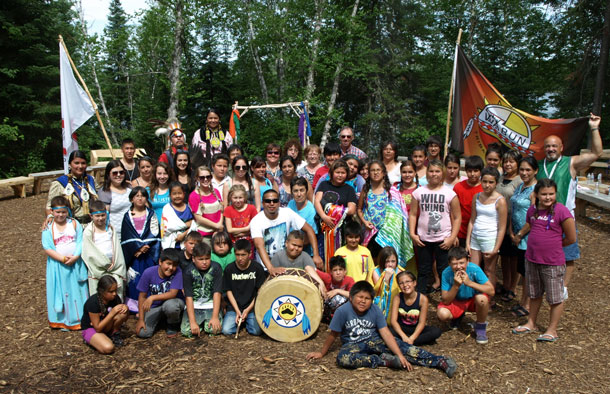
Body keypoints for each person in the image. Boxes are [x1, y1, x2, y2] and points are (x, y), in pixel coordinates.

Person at [306, 281, 457, 377]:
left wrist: (399, 354)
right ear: (351, 298)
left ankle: (440, 362)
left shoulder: (375, 310)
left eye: (367, 298)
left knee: (407, 349)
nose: (363, 301)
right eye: (359, 297)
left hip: (374, 340)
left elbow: (385, 333)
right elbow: (333, 335)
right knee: (343, 358)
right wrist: (322, 352)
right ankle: (383, 361)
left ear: (372, 300)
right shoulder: (342, 311)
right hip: (352, 345)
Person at [537, 113, 602, 299]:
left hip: (564, 216)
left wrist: (594, 128)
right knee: (545, 252)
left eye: (554, 146)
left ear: (561, 148)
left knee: (568, 253)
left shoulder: (570, 162)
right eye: (548, 146)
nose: (550, 149)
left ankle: (563, 287)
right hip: (543, 216)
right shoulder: (539, 165)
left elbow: (596, 153)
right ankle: (546, 282)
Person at [511, 179, 576, 342]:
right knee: (534, 293)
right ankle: (531, 322)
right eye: (544, 194)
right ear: (537, 195)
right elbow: (530, 225)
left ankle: (552, 329)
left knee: (555, 297)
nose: (548, 197)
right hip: (532, 259)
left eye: (551, 194)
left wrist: (553, 245)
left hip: (553, 261)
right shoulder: (533, 210)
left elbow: (571, 237)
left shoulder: (562, 211)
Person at [409, 160, 461, 294]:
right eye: (431, 171)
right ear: (426, 173)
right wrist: (412, 234)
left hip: (443, 239)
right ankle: (419, 297)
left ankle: (446, 297)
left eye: (437, 171)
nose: (434, 174)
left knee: (444, 269)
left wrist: (452, 237)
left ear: (442, 173)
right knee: (423, 269)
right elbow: (413, 214)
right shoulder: (418, 192)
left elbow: (457, 217)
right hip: (423, 239)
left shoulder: (450, 193)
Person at [42, 196, 89, 330]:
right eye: (58, 212)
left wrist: (75, 256)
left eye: (63, 212)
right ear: (52, 211)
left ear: (68, 211)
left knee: (77, 290)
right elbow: (47, 246)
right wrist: (62, 259)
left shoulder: (74, 224)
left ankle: (80, 318)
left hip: (75, 263)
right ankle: (63, 320)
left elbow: (81, 241)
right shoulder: (48, 227)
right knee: (63, 290)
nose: (61, 215)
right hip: (58, 265)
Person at [251, 189, 322, 275]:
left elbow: (309, 229)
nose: (271, 203)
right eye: (268, 201)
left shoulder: (287, 212)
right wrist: (271, 268)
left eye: (275, 200)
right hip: (266, 267)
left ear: (279, 202)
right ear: (263, 203)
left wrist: (316, 255)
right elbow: (259, 246)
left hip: (286, 264)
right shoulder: (256, 221)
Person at [358, 160, 414, 269]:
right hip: (370, 232)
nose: (375, 173)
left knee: (387, 261)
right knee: (371, 260)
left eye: (378, 170)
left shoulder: (392, 191)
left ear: (384, 173)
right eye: (372, 170)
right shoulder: (366, 189)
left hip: (388, 233)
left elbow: (399, 214)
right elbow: (359, 209)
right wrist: (364, 222)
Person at [437, 247, 494, 344]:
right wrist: (456, 285)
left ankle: (480, 326)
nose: (459, 267)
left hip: (472, 299)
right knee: (442, 314)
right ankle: (457, 317)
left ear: (467, 261)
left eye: (461, 263)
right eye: (455, 264)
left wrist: (469, 283)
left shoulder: (474, 269)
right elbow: (445, 300)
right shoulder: (446, 273)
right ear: (449, 264)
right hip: (456, 301)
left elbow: (491, 291)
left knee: (482, 299)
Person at [465, 167, 507, 291]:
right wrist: (468, 241)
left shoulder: (500, 201)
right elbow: (472, 220)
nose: (487, 185)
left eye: (491, 182)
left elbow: (502, 227)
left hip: (490, 238)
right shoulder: (476, 197)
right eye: (484, 181)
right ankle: (473, 297)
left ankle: (489, 296)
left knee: (489, 270)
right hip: (475, 237)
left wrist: (496, 248)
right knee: (473, 268)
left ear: (496, 184)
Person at [121, 187, 162, 313]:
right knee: (135, 279)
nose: (140, 198)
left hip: (149, 253)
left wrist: (145, 246)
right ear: (132, 199)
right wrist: (137, 248)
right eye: (137, 196)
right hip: (135, 255)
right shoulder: (127, 216)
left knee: (149, 277)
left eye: (143, 196)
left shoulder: (151, 214)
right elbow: (126, 235)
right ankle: (135, 304)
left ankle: (150, 302)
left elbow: (154, 232)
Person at [508, 156, 538, 317]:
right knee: (521, 268)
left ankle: (526, 304)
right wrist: (512, 231)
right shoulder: (520, 186)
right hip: (517, 234)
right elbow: (514, 209)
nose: (525, 173)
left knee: (527, 273)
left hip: (528, 236)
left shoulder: (535, 191)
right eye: (522, 170)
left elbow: (534, 216)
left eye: (528, 170)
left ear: (535, 171)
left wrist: (519, 234)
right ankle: (522, 300)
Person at [315, 160, 358, 266]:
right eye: (337, 172)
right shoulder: (324, 185)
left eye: (343, 173)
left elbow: (352, 209)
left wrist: (334, 212)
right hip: (323, 228)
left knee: (339, 258)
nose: (340, 175)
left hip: (341, 230)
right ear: (332, 173)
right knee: (323, 256)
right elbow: (317, 201)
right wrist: (324, 216)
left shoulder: (349, 189)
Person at [222, 239, 268, 336]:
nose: (240, 258)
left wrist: (247, 310)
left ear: (250, 253)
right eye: (237, 255)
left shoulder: (257, 268)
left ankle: (246, 321)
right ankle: (240, 321)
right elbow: (228, 291)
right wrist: (237, 310)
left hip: (252, 307)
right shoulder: (229, 269)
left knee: (256, 331)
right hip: (234, 307)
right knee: (226, 330)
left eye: (243, 255)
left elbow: (259, 292)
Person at [136, 249, 184, 338]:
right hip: (155, 307)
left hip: (172, 303)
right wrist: (141, 319)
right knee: (143, 333)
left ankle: (172, 324)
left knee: (171, 306)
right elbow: (142, 296)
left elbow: (172, 294)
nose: (171, 268)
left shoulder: (178, 272)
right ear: (160, 262)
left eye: (174, 265)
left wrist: (152, 297)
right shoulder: (148, 272)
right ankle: (160, 321)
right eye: (168, 263)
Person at [82, 200, 126, 298]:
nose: (100, 218)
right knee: (100, 298)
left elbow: (117, 250)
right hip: (98, 270)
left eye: (103, 215)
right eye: (97, 216)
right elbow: (89, 252)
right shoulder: (88, 232)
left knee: (116, 296)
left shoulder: (111, 229)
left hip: (114, 268)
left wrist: (114, 265)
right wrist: (103, 264)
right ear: (91, 216)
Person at [45, 150, 99, 225]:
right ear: (70, 164)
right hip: (71, 226)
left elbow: (99, 201)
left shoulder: (91, 180)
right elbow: (49, 207)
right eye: (76, 163)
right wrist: (51, 221)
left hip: (91, 225)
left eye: (83, 163)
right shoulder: (60, 183)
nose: (80, 166)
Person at [181, 243, 223, 337]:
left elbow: (217, 292)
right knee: (187, 331)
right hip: (195, 306)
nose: (204, 262)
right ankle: (199, 324)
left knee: (214, 330)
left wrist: (215, 317)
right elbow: (188, 297)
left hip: (211, 305)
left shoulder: (216, 268)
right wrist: (192, 322)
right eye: (200, 259)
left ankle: (207, 323)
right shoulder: (188, 271)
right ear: (193, 259)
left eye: (207, 258)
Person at [497, 150, 523, 301]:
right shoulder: (500, 178)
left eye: (511, 162)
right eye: (506, 161)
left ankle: (513, 287)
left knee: (514, 257)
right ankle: (506, 283)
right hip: (500, 222)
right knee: (504, 256)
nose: (508, 164)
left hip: (513, 223)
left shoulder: (519, 181)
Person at [390, 271, 441, 346]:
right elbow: (393, 321)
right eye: (401, 283)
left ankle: (407, 342)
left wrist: (412, 338)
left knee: (436, 331)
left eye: (408, 281)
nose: (405, 285)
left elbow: (421, 323)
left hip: (415, 329)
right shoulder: (397, 298)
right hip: (401, 328)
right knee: (388, 331)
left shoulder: (423, 299)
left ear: (414, 283)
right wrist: (403, 336)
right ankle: (409, 341)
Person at [80, 276, 129, 354]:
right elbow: (98, 328)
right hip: (92, 328)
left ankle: (114, 334)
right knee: (108, 348)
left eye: (116, 290)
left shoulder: (115, 298)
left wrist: (126, 308)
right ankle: (90, 339)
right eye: (111, 291)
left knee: (122, 313)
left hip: (106, 325)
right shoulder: (93, 303)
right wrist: (112, 313)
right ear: (102, 291)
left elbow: (124, 317)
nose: (114, 294)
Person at [270, 230, 327, 296]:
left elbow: (310, 269)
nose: (296, 248)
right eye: (294, 245)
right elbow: (272, 280)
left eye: (300, 246)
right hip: (281, 292)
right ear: (286, 243)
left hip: (302, 292)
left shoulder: (305, 256)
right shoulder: (278, 256)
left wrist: (321, 283)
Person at [454, 155, 484, 246]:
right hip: (461, 232)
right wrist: (454, 234)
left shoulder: (484, 188)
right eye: (470, 171)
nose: (472, 174)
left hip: (479, 233)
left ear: (481, 171)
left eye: (476, 171)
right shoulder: (458, 187)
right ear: (466, 171)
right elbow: (452, 212)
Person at [189, 166, 223, 244]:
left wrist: (219, 227)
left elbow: (221, 210)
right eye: (202, 177)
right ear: (197, 178)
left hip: (218, 232)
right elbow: (198, 218)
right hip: (204, 235)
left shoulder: (216, 192)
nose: (205, 179)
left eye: (208, 177)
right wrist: (216, 226)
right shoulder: (194, 196)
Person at [98, 160, 132, 239]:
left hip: (132, 232)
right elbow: (104, 217)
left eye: (121, 172)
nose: (119, 175)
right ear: (108, 175)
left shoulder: (130, 188)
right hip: (115, 234)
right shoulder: (105, 192)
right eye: (115, 173)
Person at [317, 256, 355, 322]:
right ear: (331, 272)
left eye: (340, 269)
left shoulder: (349, 280)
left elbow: (354, 295)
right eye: (335, 270)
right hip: (327, 313)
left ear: (345, 271)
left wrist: (337, 291)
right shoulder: (328, 277)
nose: (338, 273)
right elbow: (308, 268)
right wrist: (320, 283)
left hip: (344, 314)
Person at [372, 246, 404, 323]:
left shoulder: (400, 271)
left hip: (396, 298)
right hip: (381, 300)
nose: (390, 264)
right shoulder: (376, 271)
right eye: (387, 261)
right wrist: (386, 278)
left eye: (393, 261)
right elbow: (378, 291)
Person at [287, 177, 318, 255]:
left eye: (302, 190)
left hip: (305, 250)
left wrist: (293, 246)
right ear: (291, 192)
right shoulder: (290, 204)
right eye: (295, 191)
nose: (299, 194)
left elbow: (309, 236)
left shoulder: (310, 210)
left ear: (306, 191)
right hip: (290, 248)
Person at [161, 182, 194, 250]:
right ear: (170, 195)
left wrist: (183, 234)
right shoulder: (167, 208)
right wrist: (186, 224)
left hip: (187, 245)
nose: (177, 196)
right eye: (174, 194)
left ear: (184, 194)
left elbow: (194, 225)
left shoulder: (189, 207)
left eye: (180, 193)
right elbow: (167, 228)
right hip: (171, 245)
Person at [224, 184, 258, 250]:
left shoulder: (251, 208)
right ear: (231, 198)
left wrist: (239, 233)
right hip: (234, 243)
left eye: (240, 197)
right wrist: (246, 229)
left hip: (250, 243)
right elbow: (230, 230)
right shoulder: (228, 210)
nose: (238, 200)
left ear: (245, 197)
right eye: (235, 198)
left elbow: (255, 227)